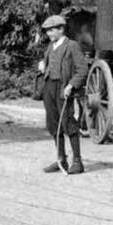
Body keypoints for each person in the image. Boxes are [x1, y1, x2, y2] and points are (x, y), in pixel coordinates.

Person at [37, 15, 88, 175]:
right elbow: (50, 66)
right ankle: (61, 160)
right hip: (49, 87)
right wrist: (42, 66)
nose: (49, 34)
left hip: (63, 87)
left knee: (68, 123)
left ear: (61, 29)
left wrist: (71, 85)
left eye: (52, 30)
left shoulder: (72, 46)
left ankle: (77, 162)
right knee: (53, 123)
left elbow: (82, 70)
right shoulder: (50, 47)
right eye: (47, 31)